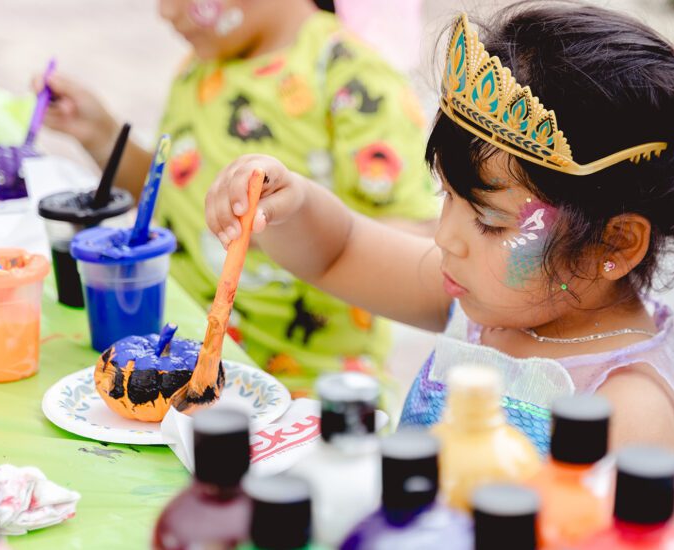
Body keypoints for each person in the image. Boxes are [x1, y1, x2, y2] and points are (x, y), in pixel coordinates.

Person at [204, 1, 674, 483]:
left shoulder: (627, 409)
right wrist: (290, 204)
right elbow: (342, 252)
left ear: (614, 245)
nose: (447, 237)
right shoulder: (493, 299)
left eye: (492, 223)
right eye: (447, 196)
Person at [35, 0, 439, 398]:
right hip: (181, 360)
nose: (165, 11)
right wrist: (102, 134)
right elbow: (173, 196)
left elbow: (414, 243)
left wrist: (297, 226)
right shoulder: (201, 66)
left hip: (306, 389)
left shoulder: (353, 77)